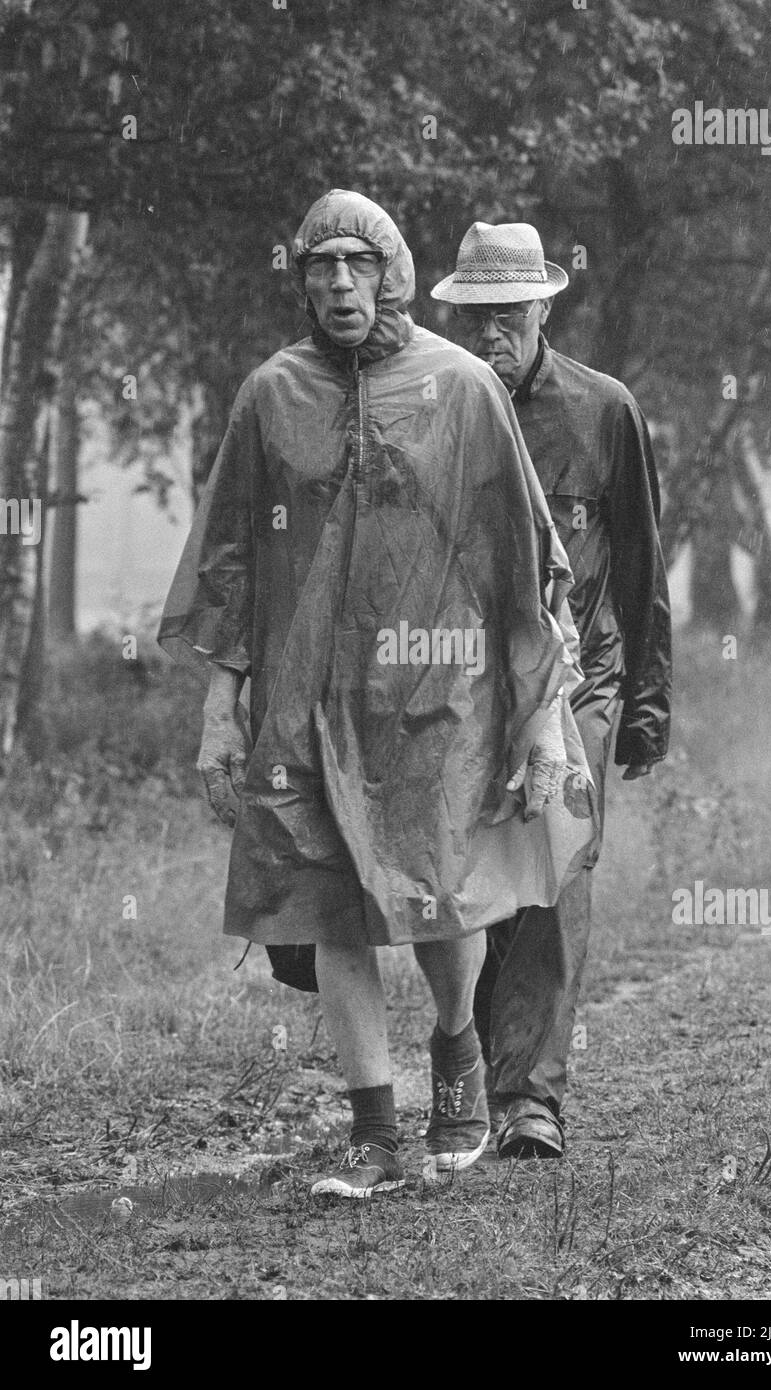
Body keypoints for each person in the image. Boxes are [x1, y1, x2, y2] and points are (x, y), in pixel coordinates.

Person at [158, 192, 596, 1197]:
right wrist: (216, 712)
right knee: (327, 910)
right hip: (303, 700)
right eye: (322, 267)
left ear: (392, 272)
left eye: (359, 265)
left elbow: (520, 564)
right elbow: (230, 564)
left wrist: (538, 724)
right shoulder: (271, 394)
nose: (340, 284)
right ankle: (371, 1136)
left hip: (437, 700)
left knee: (441, 906)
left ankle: (455, 1051)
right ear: (303, 278)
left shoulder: (460, 388)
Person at [431, 221, 672, 1159]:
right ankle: (487, 1065)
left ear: (541, 309)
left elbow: (643, 561)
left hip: (586, 677)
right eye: (476, 315)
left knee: (556, 859)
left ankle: (529, 1097)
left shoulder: (605, 409)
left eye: (509, 314)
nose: (493, 332)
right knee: (480, 874)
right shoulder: (440, 409)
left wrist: (648, 700)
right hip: (469, 677)